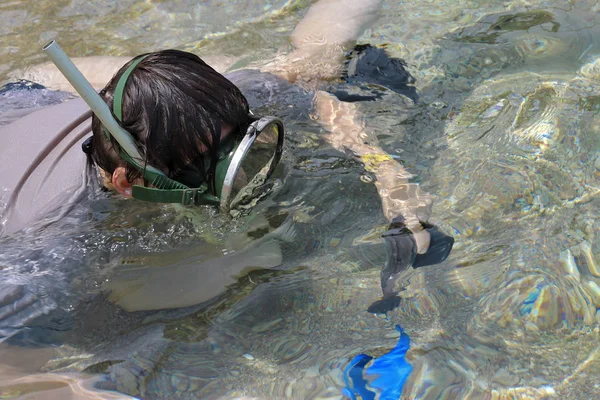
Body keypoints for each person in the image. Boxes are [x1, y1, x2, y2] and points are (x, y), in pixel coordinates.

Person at [0, 0, 453, 341]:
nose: (239, 165)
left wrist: (388, 174)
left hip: (71, 104)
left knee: (313, 66)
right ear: (126, 182)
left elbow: (321, 100)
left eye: (239, 137)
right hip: (24, 100)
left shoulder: (204, 114)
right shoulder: (49, 243)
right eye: (201, 163)